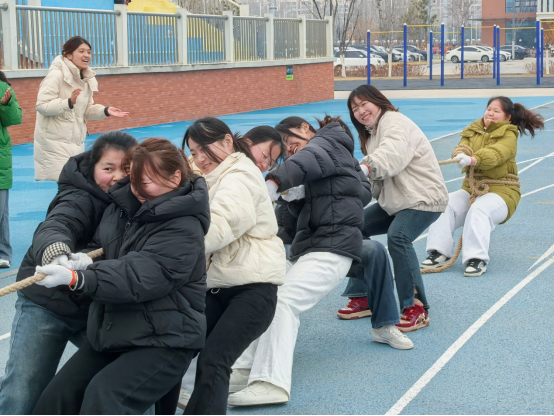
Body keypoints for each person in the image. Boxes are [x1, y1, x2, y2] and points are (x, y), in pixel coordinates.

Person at [32, 138, 209, 415]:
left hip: (166, 339)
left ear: (175, 177)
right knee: (58, 399)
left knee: (105, 397)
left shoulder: (184, 226)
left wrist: (79, 278)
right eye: (134, 182)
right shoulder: (123, 207)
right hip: (115, 330)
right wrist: (80, 260)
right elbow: (106, 249)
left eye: (146, 182)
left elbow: (141, 274)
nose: (137, 190)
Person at [227, 115, 372, 407]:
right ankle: (244, 367)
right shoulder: (324, 165)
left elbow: (305, 162)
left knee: (284, 302)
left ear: (306, 128)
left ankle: (271, 382)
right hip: (311, 248)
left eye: (290, 141)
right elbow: (356, 192)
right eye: (285, 147)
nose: (290, 149)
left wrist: (272, 182)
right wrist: (293, 197)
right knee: (266, 296)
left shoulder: (328, 142)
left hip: (333, 248)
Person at [0, 131, 137, 415]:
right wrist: (57, 253)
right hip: (48, 304)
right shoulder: (79, 196)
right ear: (92, 167)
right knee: (23, 388)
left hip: (96, 307)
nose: (116, 177)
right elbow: (58, 223)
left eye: (126, 169)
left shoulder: (141, 200)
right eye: (108, 168)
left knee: (124, 378)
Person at [181, 118, 285, 415]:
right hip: (218, 286)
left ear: (228, 141)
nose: (200, 158)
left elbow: (221, 224)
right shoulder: (210, 174)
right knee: (178, 346)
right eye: (194, 152)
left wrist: (168, 249)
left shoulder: (240, 175)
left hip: (253, 289)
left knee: (215, 359)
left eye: (204, 149)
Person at [341, 84, 448, 333]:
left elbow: (391, 155)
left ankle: (416, 307)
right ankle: (364, 295)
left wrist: (366, 167)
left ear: (378, 101)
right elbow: (374, 181)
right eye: (354, 109)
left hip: (422, 198)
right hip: (397, 201)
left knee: (398, 236)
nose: (360, 111)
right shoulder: (371, 134)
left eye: (364, 104)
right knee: (354, 226)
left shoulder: (394, 122)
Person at [422, 97, 544, 277]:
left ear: (507, 117)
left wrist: (474, 159)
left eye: (496, 111)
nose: (491, 113)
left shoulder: (510, 134)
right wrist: (460, 154)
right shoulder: (473, 129)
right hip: (471, 189)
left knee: (479, 209)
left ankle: (476, 258)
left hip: (502, 192)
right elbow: (462, 146)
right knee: (444, 204)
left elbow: (497, 153)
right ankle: (438, 252)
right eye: (489, 109)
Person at [34, 36, 128, 182]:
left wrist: (105, 111)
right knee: (69, 184)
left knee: (72, 185)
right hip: (54, 143)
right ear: (69, 55)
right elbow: (42, 106)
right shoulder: (56, 75)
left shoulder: (85, 78)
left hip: (76, 143)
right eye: (81, 51)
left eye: (89, 52)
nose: (86, 55)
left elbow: (86, 110)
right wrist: (68, 103)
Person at [0, 71, 22, 269]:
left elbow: (15, 119)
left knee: (1, 210)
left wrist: (6, 105)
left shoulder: (3, 87)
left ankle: (3, 252)